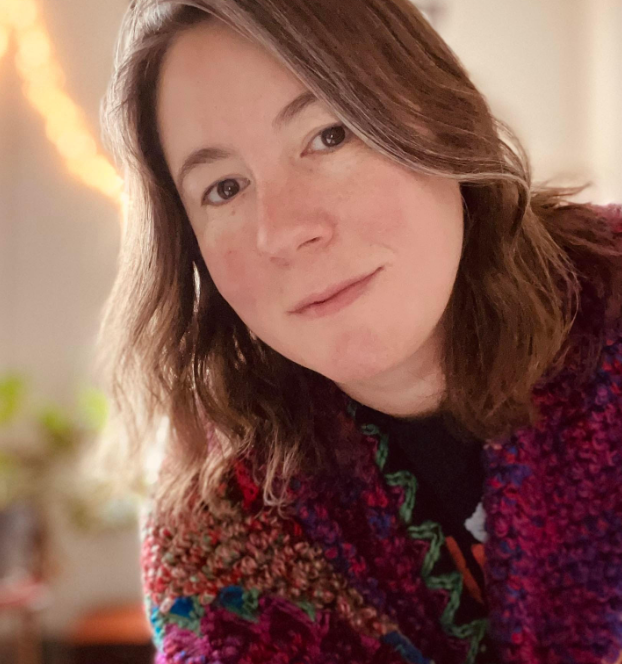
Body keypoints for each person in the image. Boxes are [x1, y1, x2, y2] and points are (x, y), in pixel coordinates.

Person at [97, 0, 622, 662]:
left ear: (435, 114)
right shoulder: (216, 518)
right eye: (225, 188)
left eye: (329, 136)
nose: (284, 230)